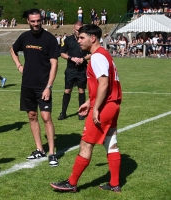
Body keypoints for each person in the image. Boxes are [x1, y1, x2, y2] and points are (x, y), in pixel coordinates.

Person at [50, 24, 122, 193]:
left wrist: (95, 108)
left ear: (93, 38)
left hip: (104, 106)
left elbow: (104, 84)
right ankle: (115, 183)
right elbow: (106, 85)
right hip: (113, 104)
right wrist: (89, 102)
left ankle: (72, 183)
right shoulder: (104, 55)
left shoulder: (97, 57)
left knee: (85, 143)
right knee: (111, 143)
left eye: (82, 38)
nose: (79, 40)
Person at [10, 8, 60, 167]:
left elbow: (54, 64)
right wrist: (18, 65)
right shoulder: (24, 37)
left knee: (46, 118)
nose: (36, 23)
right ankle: (40, 149)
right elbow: (13, 49)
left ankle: (52, 153)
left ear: (42, 20)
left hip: (43, 86)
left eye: (38, 21)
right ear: (28, 21)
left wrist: (49, 86)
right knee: (32, 116)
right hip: (27, 85)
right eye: (33, 21)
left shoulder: (50, 39)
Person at [57, 21, 91, 121]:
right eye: (77, 30)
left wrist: (83, 59)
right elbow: (62, 53)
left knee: (81, 90)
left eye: (80, 30)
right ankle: (63, 113)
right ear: (73, 29)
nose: (78, 32)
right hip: (71, 69)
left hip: (82, 69)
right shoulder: (68, 40)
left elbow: (92, 53)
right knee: (67, 90)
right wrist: (71, 58)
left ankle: (81, 112)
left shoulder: (86, 40)